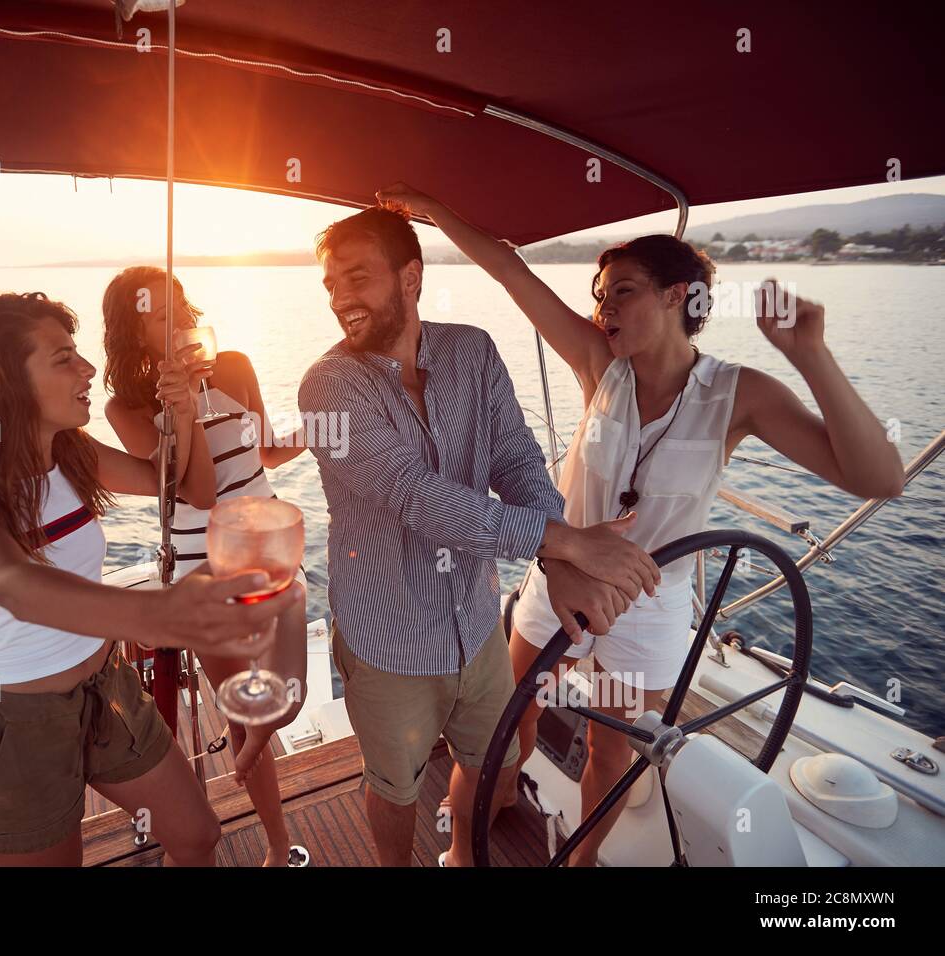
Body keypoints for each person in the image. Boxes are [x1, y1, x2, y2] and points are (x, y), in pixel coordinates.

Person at [378, 182, 906, 865]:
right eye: (600, 294)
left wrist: (808, 354)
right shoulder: (600, 364)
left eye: (620, 291)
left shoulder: (738, 394)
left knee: (611, 744)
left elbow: (879, 479)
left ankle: (581, 858)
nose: (602, 308)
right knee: (512, 718)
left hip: (648, 607)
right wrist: (437, 209)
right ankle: (492, 803)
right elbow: (511, 269)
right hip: (563, 585)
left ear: (677, 296)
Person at [297, 203, 663, 867]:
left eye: (356, 277)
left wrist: (560, 563)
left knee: (497, 754)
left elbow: (518, 461)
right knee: (396, 785)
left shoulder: (473, 350)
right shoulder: (328, 386)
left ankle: (464, 855)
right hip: (388, 639)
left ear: (410, 277)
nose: (340, 298)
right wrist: (569, 542)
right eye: (330, 285)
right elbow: (417, 496)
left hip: (475, 625)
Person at [0, 290, 301, 867]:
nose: (87, 368)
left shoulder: (72, 454)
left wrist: (184, 413)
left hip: (107, 688)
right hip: (19, 717)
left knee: (197, 836)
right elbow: (13, 584)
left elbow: (184, 489)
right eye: (63, 357)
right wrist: (164, 613)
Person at [102, 266, 310, 867]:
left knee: (282, 697)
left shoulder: (237, 365)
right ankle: (271, 843)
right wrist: (184, 408)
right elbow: (194, 493)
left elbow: (265, 448)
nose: (182, 323)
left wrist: (325, 428)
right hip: (198, 562)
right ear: (135, 337)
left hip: (269, 547)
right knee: (244, 710)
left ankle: (264, 810)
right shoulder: (127, 409)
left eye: (181, 308)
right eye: (161, 319)